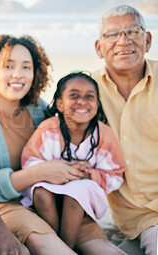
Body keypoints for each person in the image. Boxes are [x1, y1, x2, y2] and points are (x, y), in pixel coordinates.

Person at [0, 34, 125, 254]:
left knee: (107, 249)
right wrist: (41, 172)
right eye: (8, 66)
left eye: (26, 67)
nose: (18, 74)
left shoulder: (39, 108)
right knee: (56, 248)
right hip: (9, 206)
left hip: (57, 199)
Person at [20, 72, 125, 249]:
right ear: (60, 104)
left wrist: (85, 174)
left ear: (97, 104)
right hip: (51, 185)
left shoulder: (104, 134)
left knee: (74, 194)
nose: (82, 102)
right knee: (40, 193)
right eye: (74, 96)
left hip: (84, 188)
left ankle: (66, 247)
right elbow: (30, 161)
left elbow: (115, 174)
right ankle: (55, 244)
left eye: (89, 96)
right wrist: (64, 170)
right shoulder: (48, 128)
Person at [92, 4, 157, 255]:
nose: (124, 41)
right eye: (112, 35)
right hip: (137, 218)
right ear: (99, 48)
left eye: (133, 31)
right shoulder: (87, 92)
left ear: (147, 40)